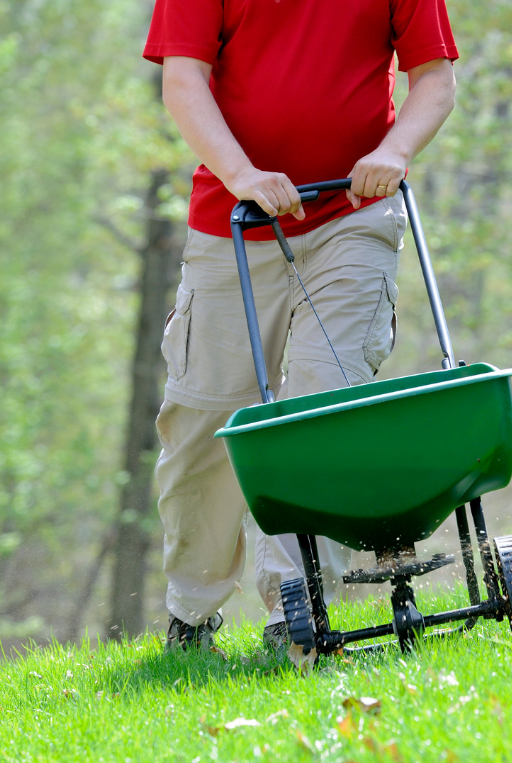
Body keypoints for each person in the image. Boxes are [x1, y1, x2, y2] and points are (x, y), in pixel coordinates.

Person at [143, 0, 458, 650]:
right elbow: (184, 79)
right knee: (208, 417)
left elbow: (434, 78)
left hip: (353, 212)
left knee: (325, 401)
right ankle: (192, 612)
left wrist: (394, 151)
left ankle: (298, 607)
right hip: (234, 215)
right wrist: (242, 175)